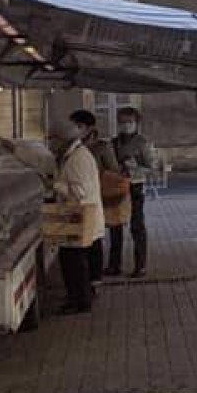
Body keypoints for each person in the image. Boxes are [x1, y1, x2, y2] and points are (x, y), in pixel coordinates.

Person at [47, 120, 104, 314]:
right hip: (76, 218)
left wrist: (55, 185)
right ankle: (78, 297)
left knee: (74, 262)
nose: (51, 144)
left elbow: (80, 191)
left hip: (78, 218)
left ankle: (79, 301)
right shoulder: (72, 156)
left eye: (53, 140)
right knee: (71, 260)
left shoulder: (79, 158)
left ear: (63, 140)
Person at [70, 110, 121, 289]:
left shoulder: (101, 147)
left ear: (88, 127)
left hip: (99, 195)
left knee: (98, 237)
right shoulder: (74, 148)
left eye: (78, 126)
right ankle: (94, 277)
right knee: (91, 238)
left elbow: (113, 170)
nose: (74, 130)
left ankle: (99, 275)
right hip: (88, 197)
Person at [111, 107, 153, 278]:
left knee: (137, 226)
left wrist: (136, 168)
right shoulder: (114, 143)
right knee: (115, 225)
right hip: (116, 186)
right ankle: (114, 264)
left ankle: (140, 265)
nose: (125, 125)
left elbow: (152, 168)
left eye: (129, 122)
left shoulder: (142, 143)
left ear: (136, 123)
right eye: (122, 122)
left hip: (135, 186)